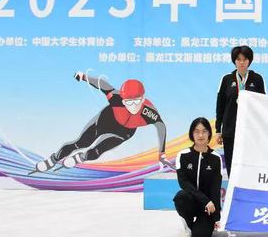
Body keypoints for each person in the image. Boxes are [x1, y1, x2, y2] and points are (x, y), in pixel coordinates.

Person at [34, 72, 169, 173]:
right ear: (123, 100)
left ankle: (80, 158)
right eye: (129, 102)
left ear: (143, 98)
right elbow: (103, 85)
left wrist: (162, 154)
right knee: (81, 143)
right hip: (106, 120)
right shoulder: (116, 98)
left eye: (137, 101)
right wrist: (84, 77)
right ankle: (53, 160)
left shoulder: (148, 112)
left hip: (124, 132)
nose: (133, 106)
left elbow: (161, 127)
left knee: (96, 152)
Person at [216, 45, 266, 175]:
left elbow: (263, 105)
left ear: (249, 61)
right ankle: (232, 187)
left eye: (245, 59)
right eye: (238, 59)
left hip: (251, 129)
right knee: (231, 163)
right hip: (230, 130)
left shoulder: (257, 79)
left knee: (249, 163)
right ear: (234, 61)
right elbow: (220, 106)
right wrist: (218, 130)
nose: (242, 62)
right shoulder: (227, 79)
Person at [174, 117, 222, 237]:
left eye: (204, 131)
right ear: (192, 134)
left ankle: (201, 225)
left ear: (209, 134)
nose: (200, 135)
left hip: (208, 207)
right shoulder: (183, 155)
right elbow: (183, 182)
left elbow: (216, 188)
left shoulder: (215, 158)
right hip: (192, 201)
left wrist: (217, 217)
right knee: (181, 197)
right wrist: (205, 200)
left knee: (201, 236)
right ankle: (188, 228)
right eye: (197, 131)